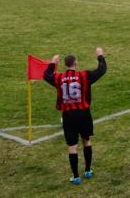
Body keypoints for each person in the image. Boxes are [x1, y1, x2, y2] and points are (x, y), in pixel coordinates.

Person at [44, 47, 107, 185]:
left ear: (65, 64)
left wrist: (52, 63)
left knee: (72, 146)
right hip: (83, 114)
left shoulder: (58, 78)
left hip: (68, 116)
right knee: (86, 140)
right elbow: (102, 70)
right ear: (75, 63)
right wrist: (100, 56)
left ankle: (76, 176)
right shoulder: (84, 76)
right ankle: (88, 170)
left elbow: (46, 75)